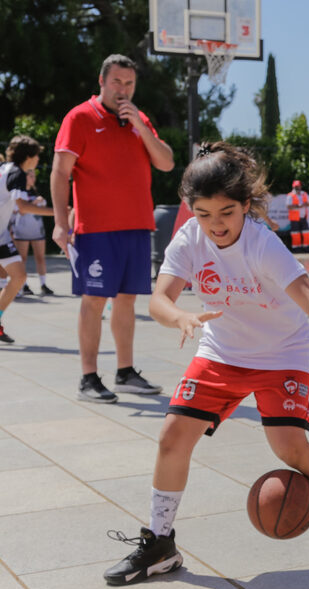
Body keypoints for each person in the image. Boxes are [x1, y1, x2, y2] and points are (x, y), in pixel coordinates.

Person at [102, 142, 309, 585]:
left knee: (289, 449)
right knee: (172, 436)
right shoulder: (190, 238)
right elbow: (158, 301)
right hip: (221, 352)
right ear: (192, 211)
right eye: (204, 213)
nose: (216, 224)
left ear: (246, 207)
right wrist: (182, 317)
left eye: (226, 212)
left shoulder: (262, 243)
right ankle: (160, 542)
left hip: (280, 352)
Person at [51, 54, 174, 402]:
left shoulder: (139, 119)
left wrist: (141, 126)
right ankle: (88, 379)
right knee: (94, 300)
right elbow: (60, 173)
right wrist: (61, 223)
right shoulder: (79, 117)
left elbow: (166, 163)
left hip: (136, 226)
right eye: (117, 82)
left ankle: (125, 372)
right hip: (96, 229)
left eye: (130, 83)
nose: (124, 90)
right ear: (102, 81)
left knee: (127, 300)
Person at [1, 136, 55, 343]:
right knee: (17, 277)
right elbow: (23, 208)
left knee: (19, 277)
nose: (39, 159)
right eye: (37, 155)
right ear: (29, 157)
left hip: (2, 236)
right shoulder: (17, 173)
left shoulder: (6, 168)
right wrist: (58, 213)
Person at [12, 169, 54, 296]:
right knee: (22, 259)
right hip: (21, 230)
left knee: (40, 257)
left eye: (33, 176)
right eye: (30, 176)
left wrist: (40, 203)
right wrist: (34, 203)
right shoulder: (18, 192)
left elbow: (43, 207)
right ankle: (23, 285)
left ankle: (43, 284)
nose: (33, 178)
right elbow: (19, 210)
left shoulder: (36, 191)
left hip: (37, 229)